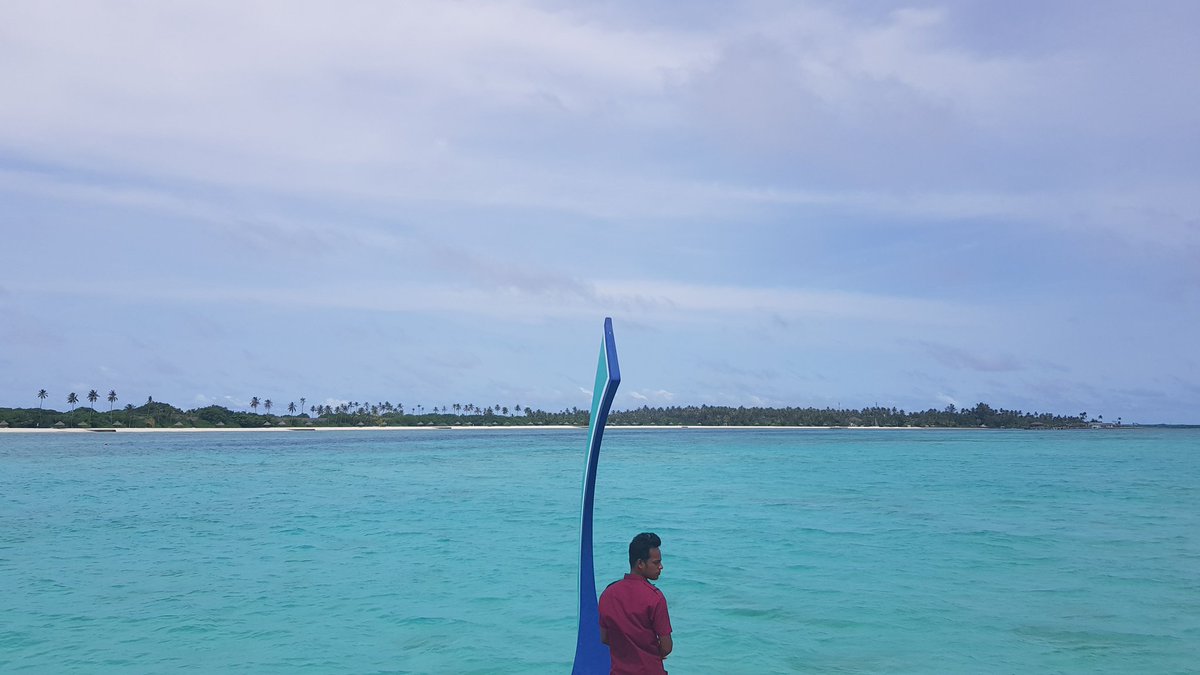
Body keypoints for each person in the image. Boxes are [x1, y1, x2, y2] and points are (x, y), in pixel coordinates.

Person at [598, 532, 673, 675]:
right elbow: (666, 646)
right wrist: (648, 652)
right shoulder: (655, 597)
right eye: (656, 562)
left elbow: (605, 637)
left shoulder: (608, 594)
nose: (661, 567)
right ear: (640, 563)